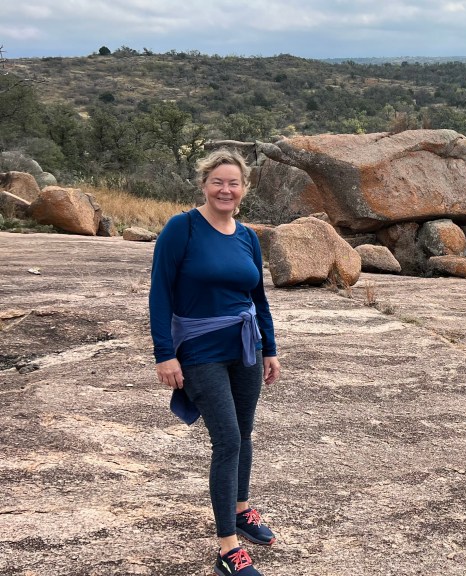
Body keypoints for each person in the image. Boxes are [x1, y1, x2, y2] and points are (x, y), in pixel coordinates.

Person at [149, 148, 281, 576]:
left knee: (244, 433)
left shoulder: (248, 236)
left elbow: (257, 297)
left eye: (233, 183)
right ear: (204, 184)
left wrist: (270, 348)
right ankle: (227, 549)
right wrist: (165, 354)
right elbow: (160, 293)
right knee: (226, 440)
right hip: (200, 351)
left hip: (246, 348)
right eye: (217, 182)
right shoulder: (183, 227)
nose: (226, 190)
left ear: (244, 189)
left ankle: (241, 510)